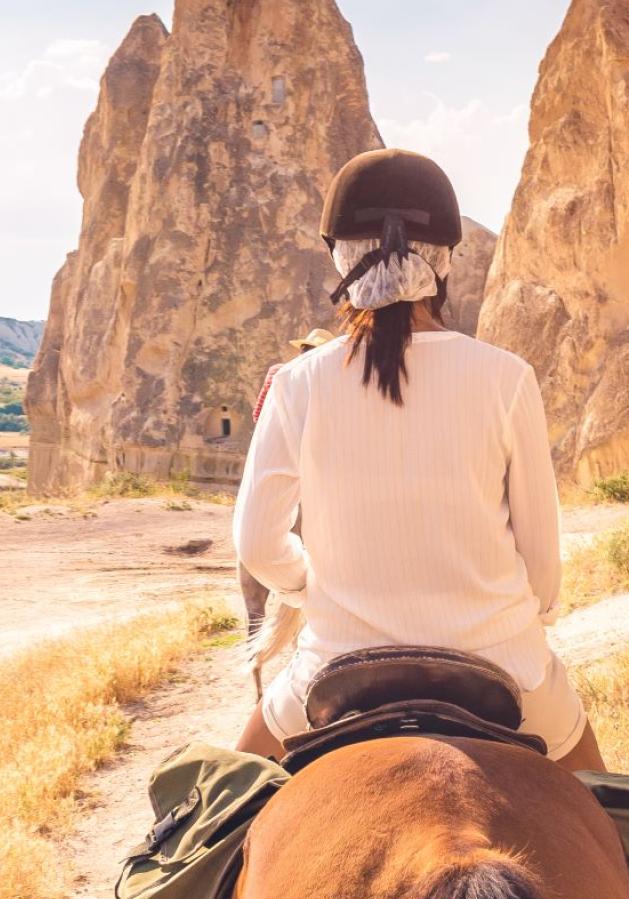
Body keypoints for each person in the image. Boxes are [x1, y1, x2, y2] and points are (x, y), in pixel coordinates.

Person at [232, 148, 605, 773]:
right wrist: (506, 615)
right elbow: (542, 565)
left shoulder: (299, 382)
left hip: (335, 670)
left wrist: (310, 586)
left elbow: (257, 544)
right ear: (446, 262)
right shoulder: (507, 378)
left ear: (340, 258)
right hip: (504, 663)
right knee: (622, 824)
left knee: (210, 821)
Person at [239, 327, 333, 656]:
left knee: (255, 522)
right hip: (310, 466)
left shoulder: (281, 375)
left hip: (277, 457)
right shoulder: (323, 378)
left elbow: (259, 417)